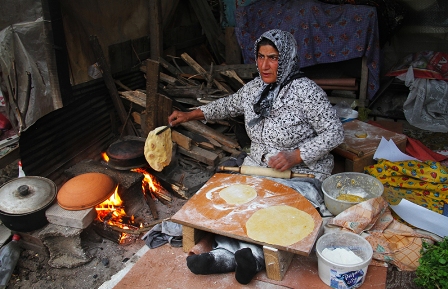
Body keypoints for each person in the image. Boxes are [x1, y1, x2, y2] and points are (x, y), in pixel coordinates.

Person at [168, 29, 344, 284]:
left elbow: (335, 133)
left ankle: (241, 258)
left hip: (300, 172)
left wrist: (297, 155)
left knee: (277, 214)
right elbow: (227, 105)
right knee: (237, 208)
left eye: (272, 57)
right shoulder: (254, 89)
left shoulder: (306, 92)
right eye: (260, 57)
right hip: (258, 168)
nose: (264, 65)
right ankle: (233, 257)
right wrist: (189, 114)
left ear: (286, 58)